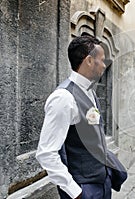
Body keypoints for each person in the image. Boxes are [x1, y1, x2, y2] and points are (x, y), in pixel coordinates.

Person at [36, 35, 127, 199]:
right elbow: (46, 153)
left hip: (102, 183)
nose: (105, 65)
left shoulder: (89, 90)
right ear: (90, 61)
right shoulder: (63, 98)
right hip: (84, 189)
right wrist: (75, 192)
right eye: (102, 60)